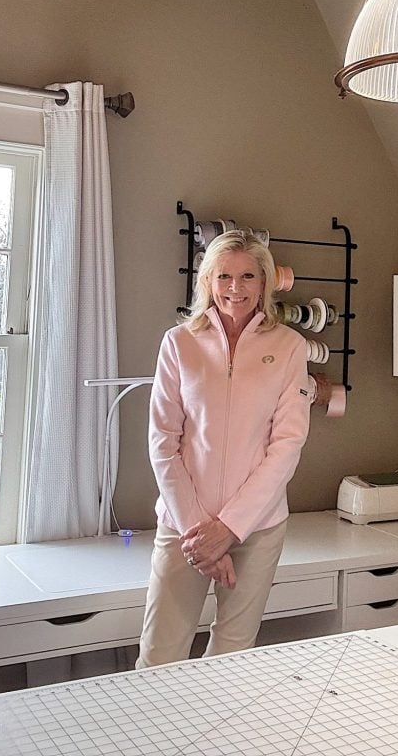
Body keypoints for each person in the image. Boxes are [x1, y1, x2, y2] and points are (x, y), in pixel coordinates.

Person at [136, 229, 310, 668]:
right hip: (184, 527)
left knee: (232, 660)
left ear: (265, 282)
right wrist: (200, 533)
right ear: (208, 281)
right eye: (224, 276)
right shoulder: (179, 343)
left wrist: (229, 529)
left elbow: (287, 445)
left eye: (248, 276)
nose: (236, 288)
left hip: (258, 527)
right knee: (158, 658)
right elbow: (163, 442)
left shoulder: (289, 347)